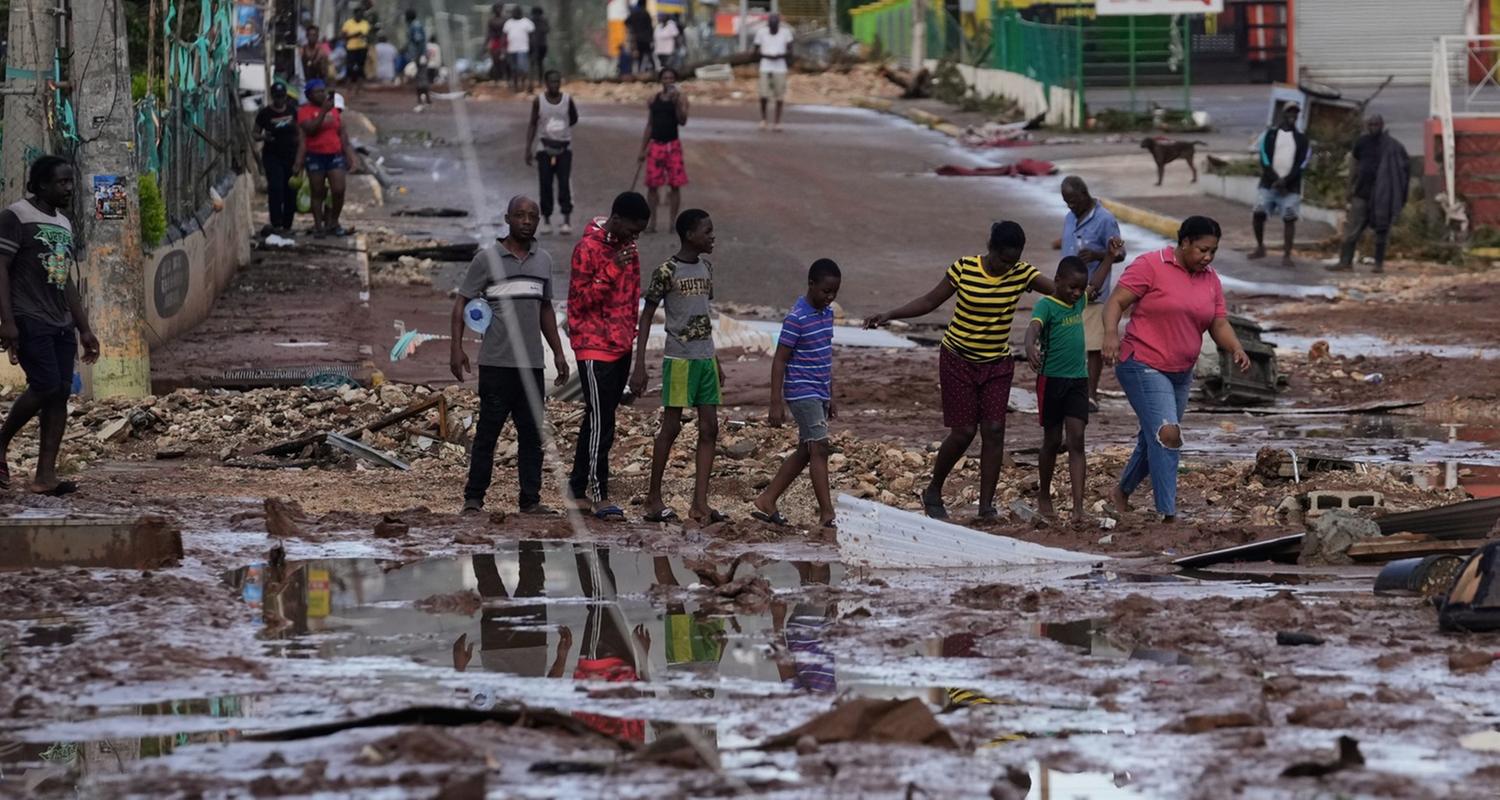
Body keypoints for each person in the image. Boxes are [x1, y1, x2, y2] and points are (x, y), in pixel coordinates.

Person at [866, 221, 1056, 521]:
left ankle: (985, 507)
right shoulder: (964, 269)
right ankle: (934, 489)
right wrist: (891, 314)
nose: (1008, 266)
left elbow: (1061, 291)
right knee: (964, 431)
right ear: (990, 249)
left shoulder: (1022, 273)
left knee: (994, 431)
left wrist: (1088, 280)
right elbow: (930, 300)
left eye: (1014, 260)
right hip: (958, 359)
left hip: (996, 363)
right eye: (1003, 259)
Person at [1102, 216, 1250, 523]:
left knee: (1154, 437)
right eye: (1202, 250)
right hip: (1142, 362)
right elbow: (1115, 302)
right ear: (1184, 243)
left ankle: (1121, 493)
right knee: (1168, 434)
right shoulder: (1150, 265)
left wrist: (1235, 347)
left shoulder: (1210, 279)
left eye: (1213, 252)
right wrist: (1110, 335)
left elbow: (1217, 322)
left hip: (1181, 372)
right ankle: (1167, 514)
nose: (1207, 257)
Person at [452, 195, 569, 515]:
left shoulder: (543, 260)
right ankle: (473, 499)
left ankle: (530, 500)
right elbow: (462, 302)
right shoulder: (487, 259)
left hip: (531, 363)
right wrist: (456, 347)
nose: (527, 221)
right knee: (488, 434)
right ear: (507, 219)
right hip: (496, 362)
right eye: (520, 215)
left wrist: (558, 352)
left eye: (533, 216)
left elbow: (545, 308)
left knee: (532, 435)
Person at [0, 156, 101, 495]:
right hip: (29, 316)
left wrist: (84, 328)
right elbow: (1, 268)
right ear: (42, 185)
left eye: (71, 182)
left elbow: (65, 279)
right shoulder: (15, 216)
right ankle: (1, 444)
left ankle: (45, 476)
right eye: (62, 183)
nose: (69, 189)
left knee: (59, 393)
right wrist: (8, 321)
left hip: (60, 321)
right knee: (44, 385)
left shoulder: (64, 224)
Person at [630, 209, 724, 526]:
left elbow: (703, 316)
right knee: (671, 427)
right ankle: (653, 499)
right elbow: (646, 317)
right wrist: (639, 363)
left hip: (705, 358)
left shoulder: (707, 268)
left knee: (710, 428)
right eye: (707, 231)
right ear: (689, 235)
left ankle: (700, 504)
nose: (712, 237)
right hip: (680, 360)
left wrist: (717, 360)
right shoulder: (666, 271)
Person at [567, 192, 651, 521]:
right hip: (592, 345)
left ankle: (576, 489)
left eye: (640, 231)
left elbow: (631, 300)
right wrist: (612, 269)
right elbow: (580, 302)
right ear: (616, 220)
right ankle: (600, 495)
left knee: (599, 418)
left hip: (620, 346)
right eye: (632, 229)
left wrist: (631, 346)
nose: (636, 237)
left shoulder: (630, 249)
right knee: (602, 422)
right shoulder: (587, 249)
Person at [752, 260, 842, 533]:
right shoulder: (796, 318)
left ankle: (767, 499)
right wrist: (775, 402)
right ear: (811, 285)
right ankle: (827, 514)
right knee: (820, 447)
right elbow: (779, 360)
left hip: (818, 390)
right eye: (826, 291)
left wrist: (831, 394)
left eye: (834, 293)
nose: (830, 297)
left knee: (806, 450)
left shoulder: (827, 314)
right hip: (801, 391)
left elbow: (825, 356)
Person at [1025, 257, 1091, 520]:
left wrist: (1109, 258)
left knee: (1076, 440)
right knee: (1051, 441)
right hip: (1051, 381)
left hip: (1078, 380)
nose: (1076, 293)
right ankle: (1044, 496)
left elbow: (1094, 285)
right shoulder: (1046, 305)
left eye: (1080, 289)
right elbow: (1034, 328)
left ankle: (1078, 508)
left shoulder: (1080, 301)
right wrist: (1030, 346)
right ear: (1057, 281)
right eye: (1072, 287)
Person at [1059, 175, 1125, 411]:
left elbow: (1121, 253)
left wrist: (1098, 255)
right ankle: (1071, 390)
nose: (1071, 206)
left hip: (1094, 292)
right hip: (1067, 292)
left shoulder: (1105, 219)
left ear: (1085, 195)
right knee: (1070, 342)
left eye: (1074, 201)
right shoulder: (1069, 218)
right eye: (1067, 202)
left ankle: (1091, 394)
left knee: (1093, 345)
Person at [1331, 114, 1410, 274]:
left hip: (1382, 196)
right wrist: (1349, 188)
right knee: (1351, 230)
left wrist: (1398, 195)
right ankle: (1345, 262)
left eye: (1377, 124)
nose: (1374, 127)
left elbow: (1403, 172)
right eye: (1371, 124)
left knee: (1381, 230)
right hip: (1362, 193)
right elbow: (1354, 165)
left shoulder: (1393, 146)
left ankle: (1378, 264)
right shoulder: (1362, 142)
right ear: (1367, 126)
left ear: (1382, 125)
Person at [295, 80, 359, 236]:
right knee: (317, 192)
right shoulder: (304, 111)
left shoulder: (334, 111)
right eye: (318, 92)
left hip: (335, 155)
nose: (322, 94)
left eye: (323, 91)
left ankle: (333, 222)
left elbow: (342, 135)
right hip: (315, 156)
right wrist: (322, 112)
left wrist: (351, 156)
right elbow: (310, 130)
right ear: (309, 95)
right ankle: (318, 226)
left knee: (339, 189)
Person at [1250, 103, 1310, 268]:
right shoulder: (1269, 135)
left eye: (1295, 113)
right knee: (1258, 214)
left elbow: (1302, 163)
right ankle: (1260, 246)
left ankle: (1287, 255)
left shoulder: (1302, 139)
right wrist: (1275, 179)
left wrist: (1286, 181)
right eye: (1289, 112)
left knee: (1289, 219)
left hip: (1291, 187)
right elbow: (1264, 158)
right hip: (1269, 184)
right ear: (1282, 115)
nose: (1293, 115)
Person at [526, 70, 579, 236]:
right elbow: (533, 124)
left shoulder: (567, 100)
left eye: (557, 82)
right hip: (544, 148)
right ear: (545, 83)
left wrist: (561, 129)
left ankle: (566, 220)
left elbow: (574, 118)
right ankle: (547, 220)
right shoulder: (539, 101)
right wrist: (528, 148)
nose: (554, 85)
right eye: (551, 82)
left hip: (564, 149)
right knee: (545, 184)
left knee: (564, 184)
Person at [639, 67, 688, 234]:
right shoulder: (654, 99)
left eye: (671, 78)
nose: (668, 81)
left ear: (675, 80)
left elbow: (682, 121)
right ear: (661, 80)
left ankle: (672, 223)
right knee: (652, 186)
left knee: (675, 185)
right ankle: (652, 223)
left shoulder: (681, 98)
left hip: (672, 146)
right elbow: (650, 125)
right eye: (665, 78)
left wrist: (677, 104)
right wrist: (642, 149)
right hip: (656, 145)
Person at [254, 82, 304, 239]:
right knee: (276, 188)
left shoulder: (292, 111)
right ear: (272, 96)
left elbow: (299, 133)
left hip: (290, 155)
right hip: (272, 155)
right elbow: (255, 133)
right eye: (277, 96)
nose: (280, 100)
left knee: (290, 191)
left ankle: (287, 224)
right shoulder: (265, 114)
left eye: (282, 97)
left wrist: (299, 160)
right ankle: (276, 223)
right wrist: (264, 137)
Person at [753, 14, 794, 132]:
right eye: (771, 25)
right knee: (763, 95)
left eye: (775, 25)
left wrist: (781, 56)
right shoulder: (761, 32)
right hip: (765, 66)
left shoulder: (786, 33)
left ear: (778, 25)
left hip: (780, 67)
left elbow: (790, 50)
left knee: (779, 96)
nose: (773, 28)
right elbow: (755, 51)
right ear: (768, 25)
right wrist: (764, 56)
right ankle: (764, 120)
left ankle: (777, 122)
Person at [503, 7, 535, 93]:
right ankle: (516, 86)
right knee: (513, 69)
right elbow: (504, 36)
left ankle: (523, 82)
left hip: (523, 49)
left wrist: (532, 48)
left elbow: (532, 36)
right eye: (514, 12)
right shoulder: (508, 23)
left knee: (523, 68)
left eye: (517, 12)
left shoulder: (527, 22)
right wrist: (504, 48)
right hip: (511, 49)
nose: (515, 14)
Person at [340, 7, 371, 88]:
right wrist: (355, 35)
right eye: (358, 14)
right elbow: (343, 36)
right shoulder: (348, 23)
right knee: (350, 67)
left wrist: (364, 36)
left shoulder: (365, 23)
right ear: (355, 14)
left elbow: (367, 35)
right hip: (351, 47)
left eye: (361, 14)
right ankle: (349, 85)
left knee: (360, 67)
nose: (360, 15)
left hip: (362, 47)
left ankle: (359, 86)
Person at [627, 1, 654, 75]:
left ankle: (638, 72)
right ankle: (653, 70)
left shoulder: (634, 13)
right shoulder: (646, 14)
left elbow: (626, 22)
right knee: (649, 55)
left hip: (637, 39)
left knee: (639, 57)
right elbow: (650, 28)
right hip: (646, 39)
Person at [486, 3, 509, 83]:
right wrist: (486, 44)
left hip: (505, 41)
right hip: (495, 41)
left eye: (500, 8)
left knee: (505, 61)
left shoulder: (506, 20)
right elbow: (488, 33)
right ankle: (496, 78)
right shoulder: (491, 20)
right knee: (495, 61)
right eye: (497, 8)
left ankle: (505, 77)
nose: (499, 10)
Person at [529, 7, 550, 82]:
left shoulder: (530, 20)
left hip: (535, 44)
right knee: (539, 63)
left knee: (533, 63)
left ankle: (535, 79)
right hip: (541, 44)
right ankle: (539, 80)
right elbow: (547, 30)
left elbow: (547, 30)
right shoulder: (543, 20)